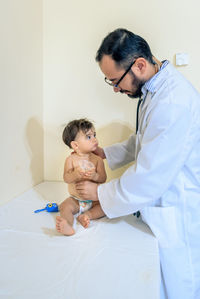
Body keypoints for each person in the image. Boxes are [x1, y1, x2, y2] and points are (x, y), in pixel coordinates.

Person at [75, 29, 200, 299]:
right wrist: (105, 153)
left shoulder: (173, 101)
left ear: (139, 65)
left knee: (179, 286)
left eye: (116, 81)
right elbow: (144, 139)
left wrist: (98, 193)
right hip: (159, 207)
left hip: (177, 212)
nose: (117, 89)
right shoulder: (155, 91)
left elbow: (149, 178)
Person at [56, 118, 107, 236]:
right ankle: (68, 225)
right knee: (64, 207)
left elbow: (103, 178)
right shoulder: (71, 160)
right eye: (89, 137)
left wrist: (95, 176)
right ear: (75, 145)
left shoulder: (98, 160)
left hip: (94, 200)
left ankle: (87, 216)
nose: (94, 139)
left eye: (94, 135)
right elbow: (66, 178)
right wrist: (75, 174)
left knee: (106, 207)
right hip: (76, 200)